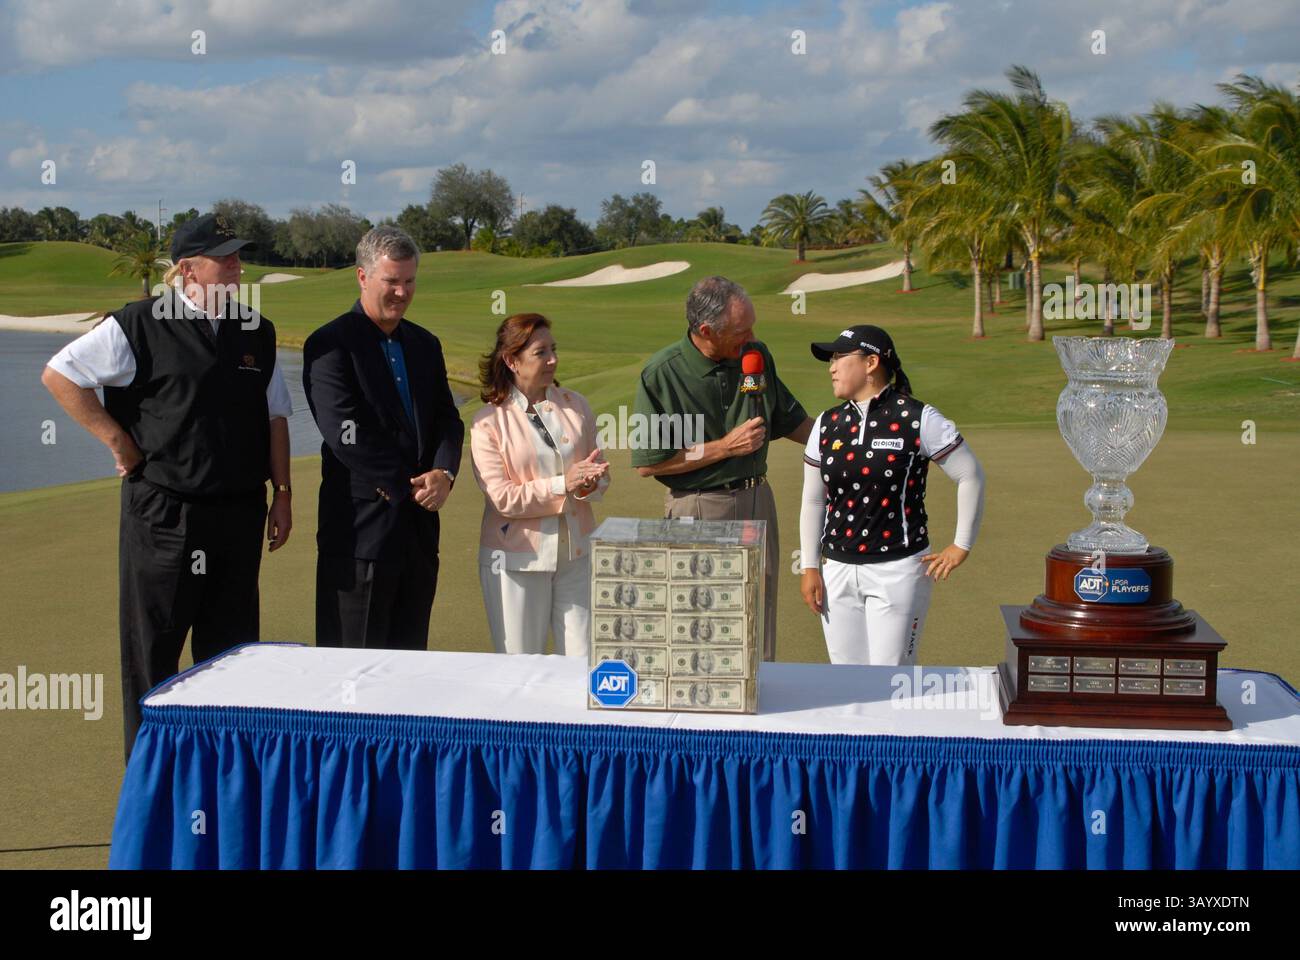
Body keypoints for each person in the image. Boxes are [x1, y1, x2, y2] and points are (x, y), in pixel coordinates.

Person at [40, 212, 293, 762]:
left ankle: (222, 778)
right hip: (164, 516)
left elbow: (275, 415)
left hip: (238, 515)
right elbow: (61, 375)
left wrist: (285, 494)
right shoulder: (138, 324)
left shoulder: (257, 330)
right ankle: (149, 780)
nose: (236, 265)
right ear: (186, 269)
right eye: (223, 257)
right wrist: (117, 441)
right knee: (153, 654)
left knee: (231, 656)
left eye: (237, 256)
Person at [633, 276, 812, 662]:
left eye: (751, 326)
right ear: (706, 330)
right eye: (740, 330)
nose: (750, 336)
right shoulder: (662, 374)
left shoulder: (755, 355)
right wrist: (723, 447)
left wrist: (841, 444)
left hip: (757, 500)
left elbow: (789, 420)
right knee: (702, 620)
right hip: (697, 507)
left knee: (759, 614)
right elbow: (650, 463)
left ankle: (760, 704)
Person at [303, 226, 464, 650]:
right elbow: (345, 433)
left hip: (418, 534)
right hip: (360, 536)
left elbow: (448, 419)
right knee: (353, 674)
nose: (402, 292)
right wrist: (410, 484)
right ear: (362, 277)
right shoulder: (330, 344)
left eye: (409, 281)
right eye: (391, 281)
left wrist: (444, 472)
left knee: (410, 667)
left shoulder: (425, 344)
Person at [798, 324, 985, 665]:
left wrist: (962, 544)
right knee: (847, 681)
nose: (832, 367)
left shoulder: (918, 418)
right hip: (837, 569)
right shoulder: (826, 424)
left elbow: (969, 475)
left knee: (890, 679)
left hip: (899, 568)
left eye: (840, 357)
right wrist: (810, 566)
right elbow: (814, 499)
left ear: (871, 362)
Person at [470, 313, 609, 655]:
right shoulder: (487, 422)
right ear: (511, 360)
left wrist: (591, 483)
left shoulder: (576, 405)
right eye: (541, 352)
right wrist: (564, 483)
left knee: (583, 661)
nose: (553, 360)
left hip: (576, 553)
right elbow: (503, 498)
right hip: (516, 561)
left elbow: (601, 475)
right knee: (520, 665)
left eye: (554, 349)